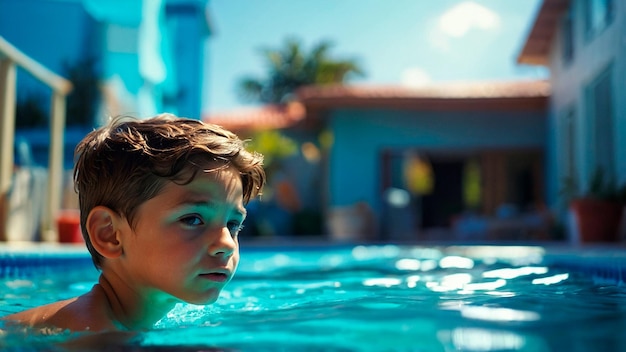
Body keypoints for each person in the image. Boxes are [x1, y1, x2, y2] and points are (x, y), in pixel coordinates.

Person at [1, 114, 265, 333]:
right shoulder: (92, 332)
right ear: (110, 234)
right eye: (193, 219)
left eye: (233, 224)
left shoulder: (128, 321)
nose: (226, 244)